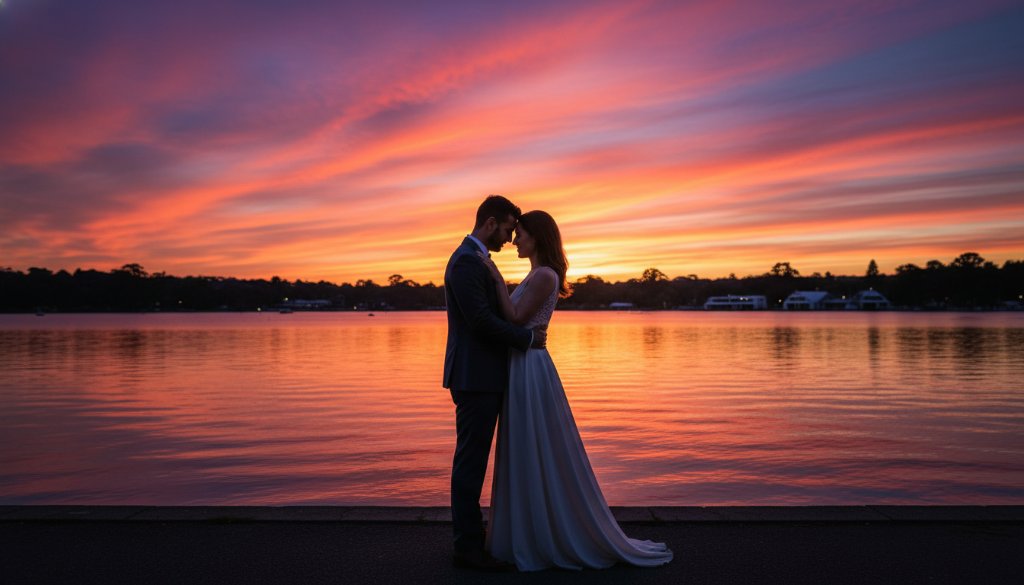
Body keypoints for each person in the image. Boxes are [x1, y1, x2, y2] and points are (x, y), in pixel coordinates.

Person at [478, 210, 674, 571]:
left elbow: (517, 318)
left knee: (534, 443)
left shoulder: (543, 276)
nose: (515, 240)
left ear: (537, 237)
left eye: (520, 234)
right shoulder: (537, 275)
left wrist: (493, 279)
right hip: (524, 363)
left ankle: (545, 533)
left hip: (530, 368)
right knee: (525, 445)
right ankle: (529, 529)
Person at [443, 195, 547, 572]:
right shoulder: (467, 263)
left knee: (473, 461)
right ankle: (467, 551)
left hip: (483, 375)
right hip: (476, 377)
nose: (508, 238)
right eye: (506, 229)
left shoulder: (475, 261)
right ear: (489, 223)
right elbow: (481, 321)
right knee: (470, 464)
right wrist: (526, 340)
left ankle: (473, 540)